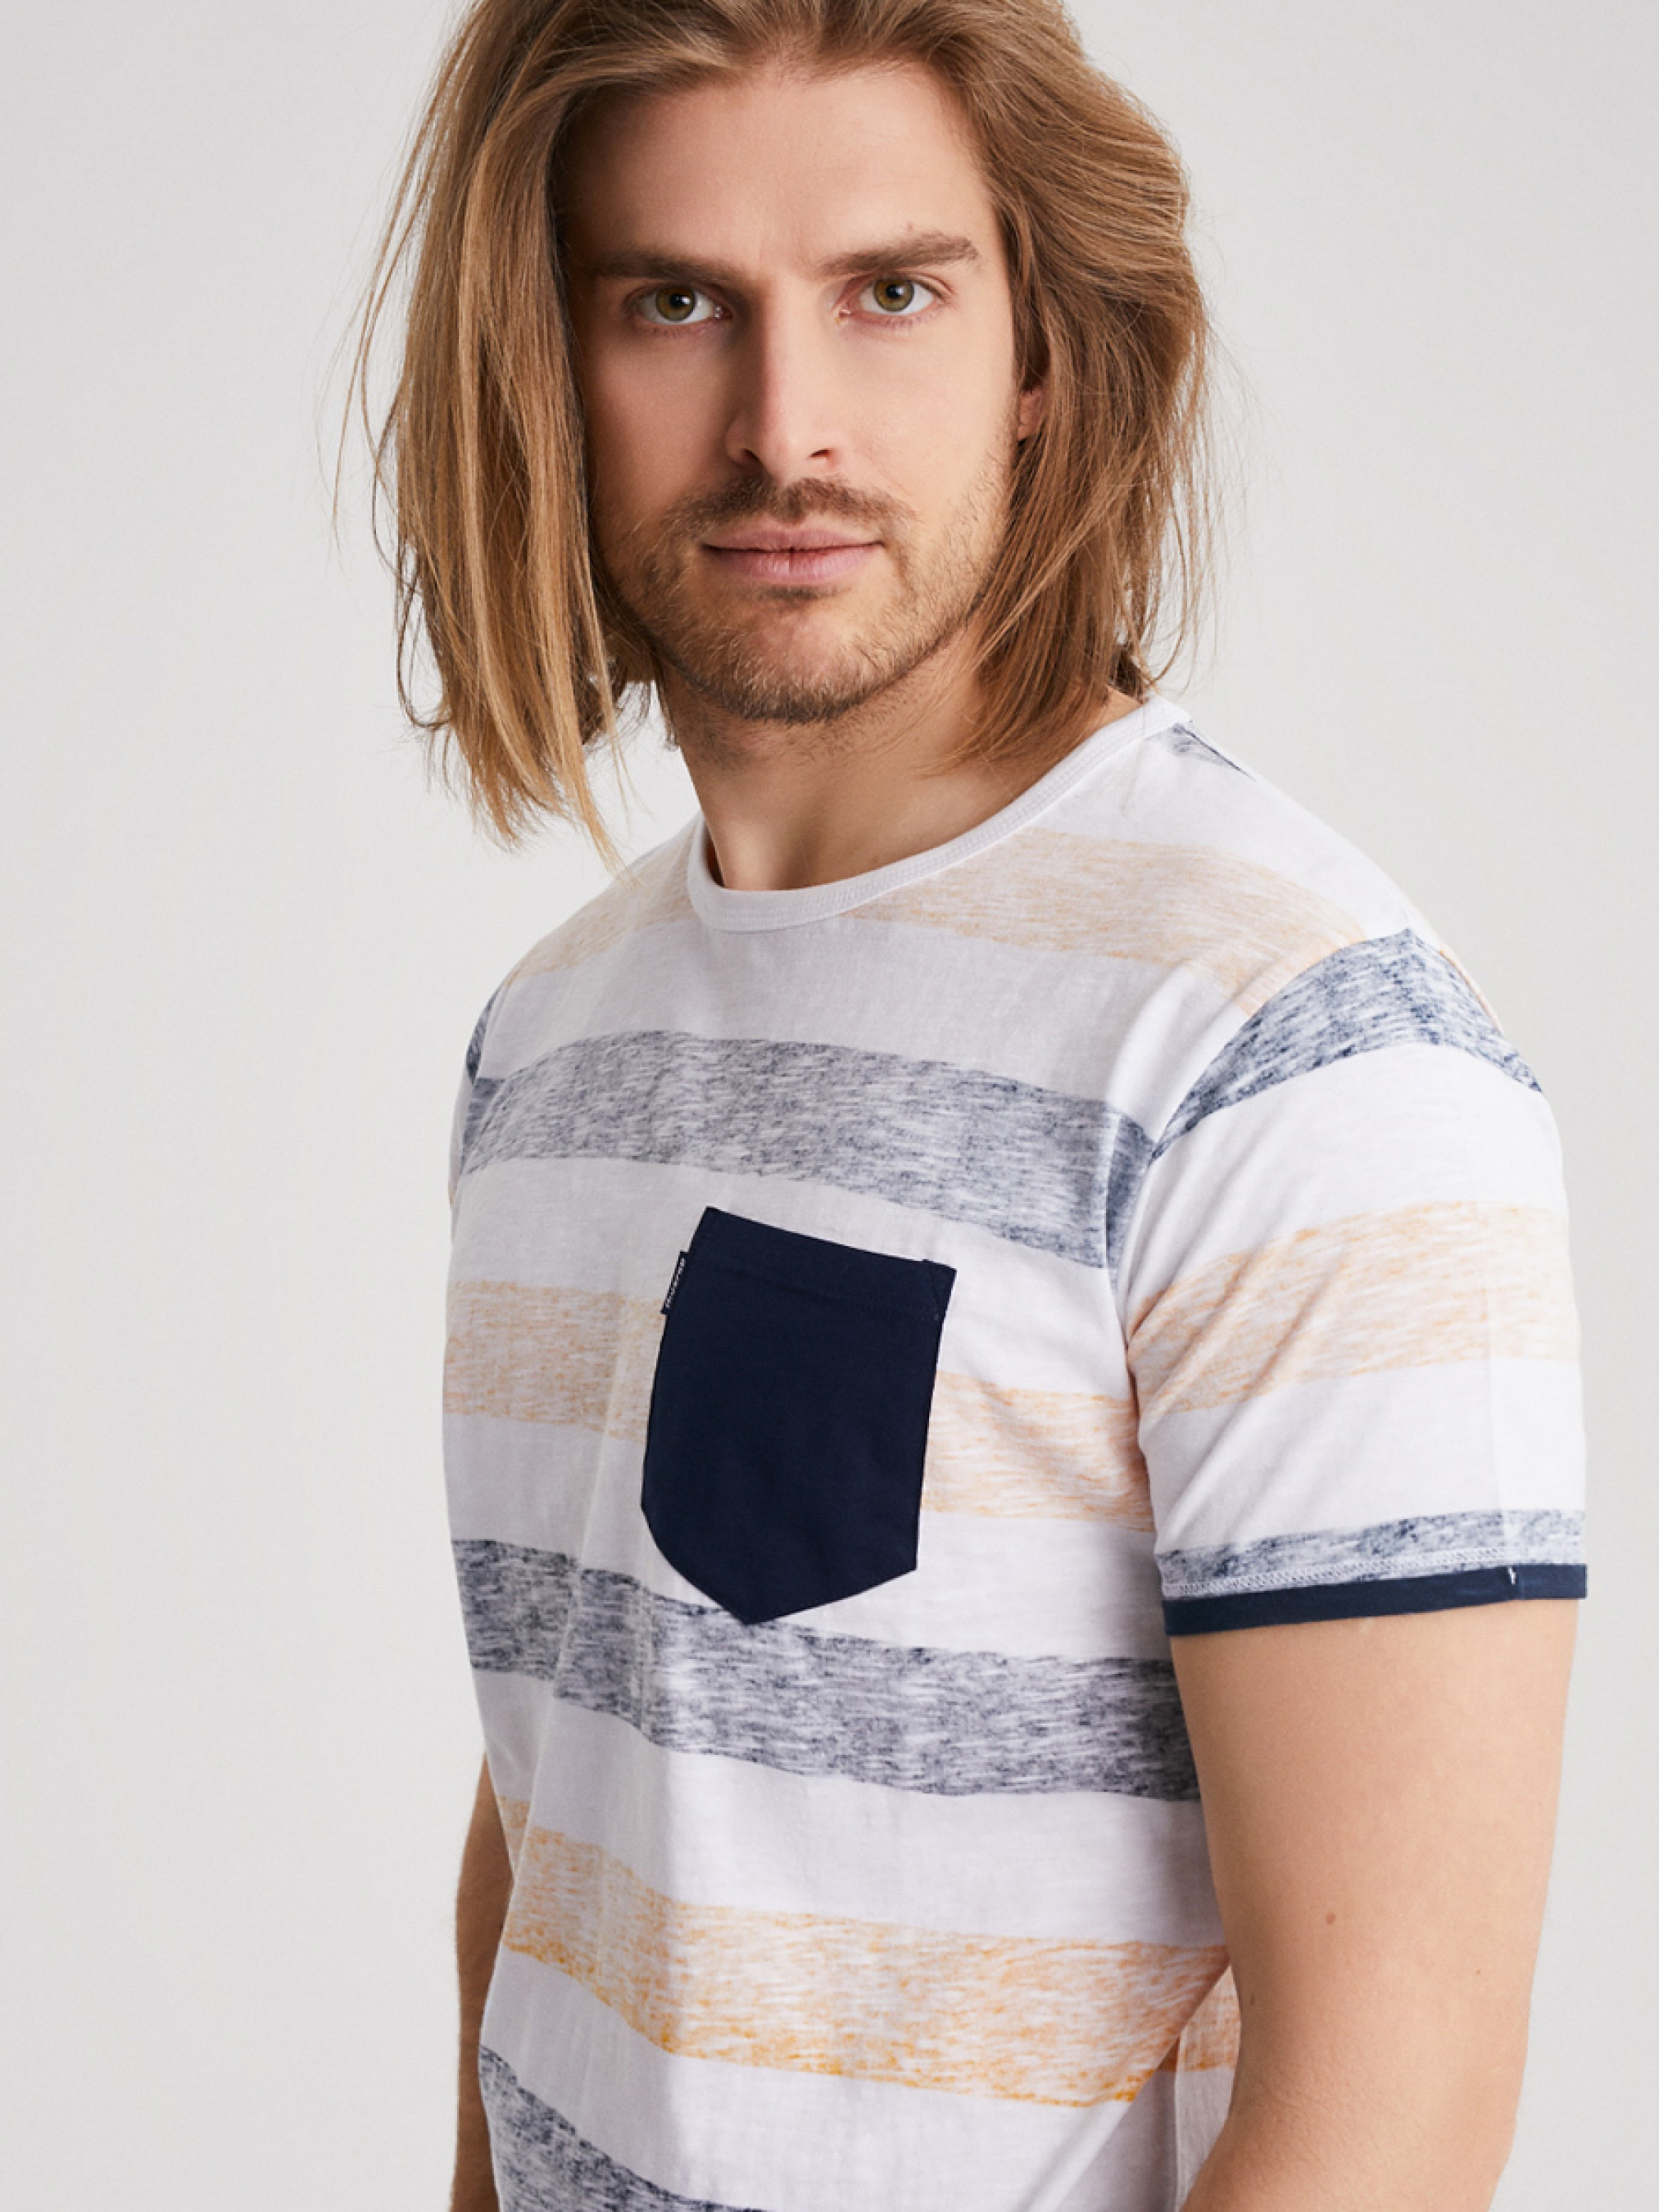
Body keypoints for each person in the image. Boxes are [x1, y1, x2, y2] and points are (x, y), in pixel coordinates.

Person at [351, 2, 1585, 2205]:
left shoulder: (1288, 1050)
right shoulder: (547, 1041)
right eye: (673, 303)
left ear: (1039, 357)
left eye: (891, 292)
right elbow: (571, 1811)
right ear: (543, 366)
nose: (784, 428)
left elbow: (1387, 2108)